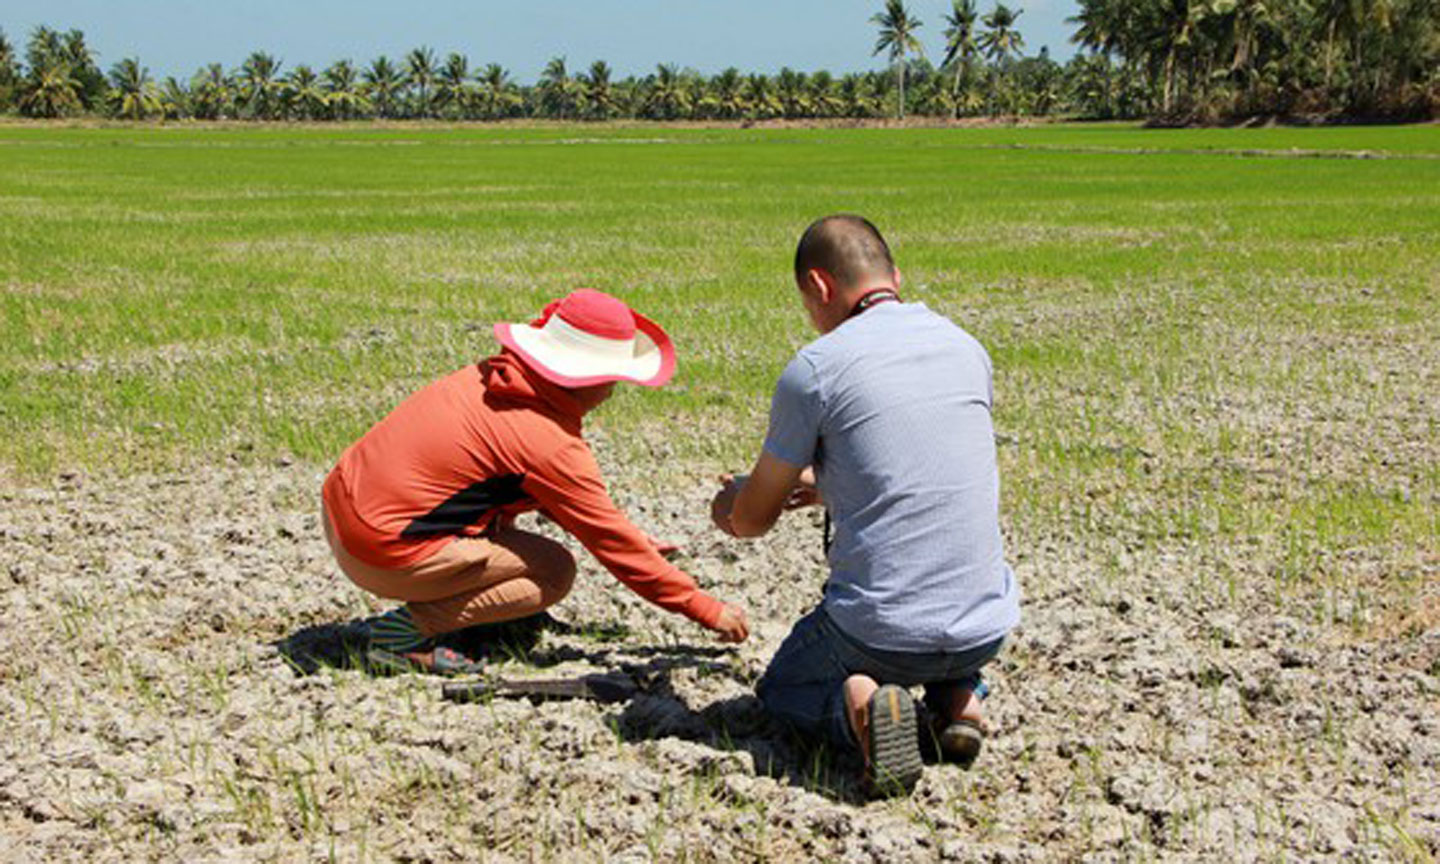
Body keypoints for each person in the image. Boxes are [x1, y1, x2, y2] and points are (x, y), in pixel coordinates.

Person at [712, 215, 1020, 796]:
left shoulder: (816, 370)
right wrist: (828, 486)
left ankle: (859, 712)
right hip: (984, 624)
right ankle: (960, 699)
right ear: (895, 277)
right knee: (945, 641)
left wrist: (733, 498)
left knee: (783, 690)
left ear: (820, 287)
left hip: (878, 632)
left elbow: (751, 521)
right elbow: (916, 471)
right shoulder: (966, 347)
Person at [323, 289, 749, 673]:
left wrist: (627, 536)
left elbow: (544, 491)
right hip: (379, 551)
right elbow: (612, 544)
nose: (614, 392)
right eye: (615, 379)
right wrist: (705, 608)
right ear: (592, 378)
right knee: (552, 571)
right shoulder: (549, 443)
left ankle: (488, 612)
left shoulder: (491, 377)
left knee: (499, 523)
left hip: (343, 509)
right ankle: (398, 637)